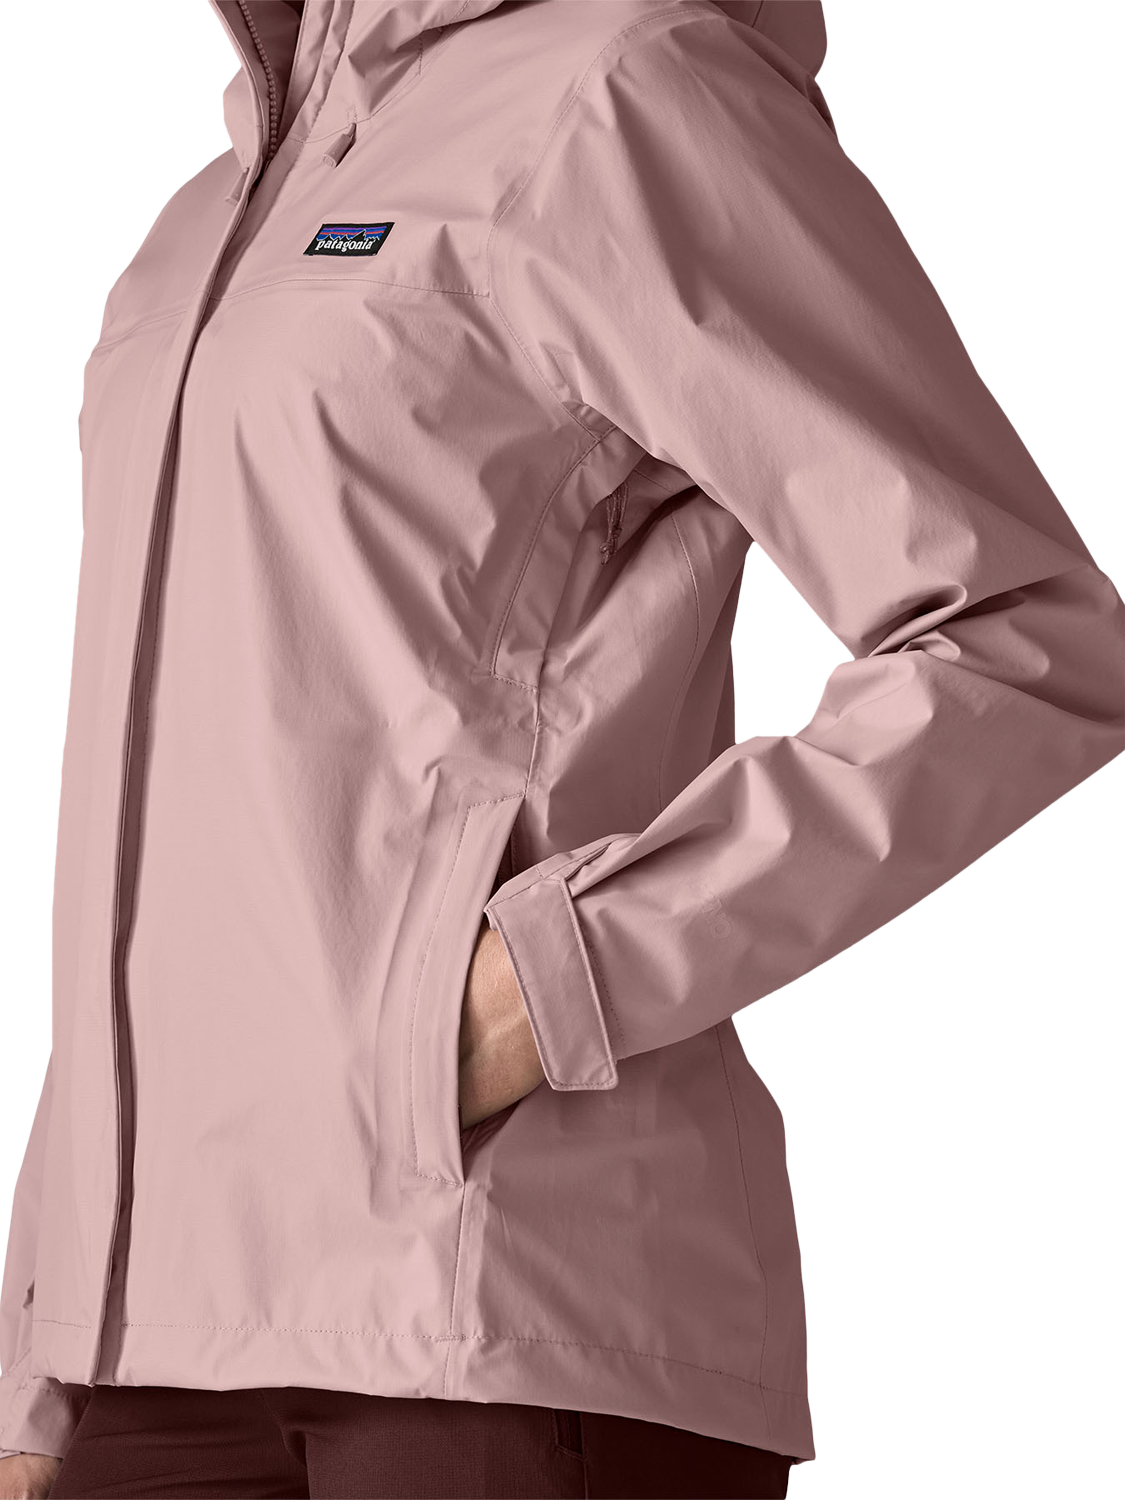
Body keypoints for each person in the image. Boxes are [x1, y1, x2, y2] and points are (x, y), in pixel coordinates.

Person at [2, 1, 1124, 1497]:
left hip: (499, 1309)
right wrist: (37, 1334)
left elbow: (1021, 640)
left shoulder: (623, 94)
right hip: (146, 1360)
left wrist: (558, 978)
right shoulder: (207, 220)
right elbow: (162, 803)